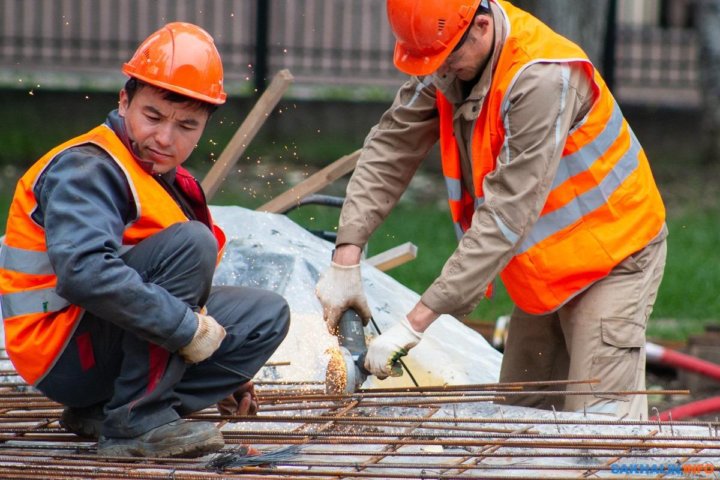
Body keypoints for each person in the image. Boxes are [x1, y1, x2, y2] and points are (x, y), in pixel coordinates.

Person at [315, 0, 667, 420]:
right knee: (520, 417)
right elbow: (391, 147)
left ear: (481, 26)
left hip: (613, 257)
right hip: (545, 268)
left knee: (597, 429)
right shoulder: (449, 53)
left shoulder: (540, 78)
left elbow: (505, 216)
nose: (439, 72)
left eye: (445, 60)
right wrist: (346, 257)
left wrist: (415, 323)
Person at [0, 22, 290, 457]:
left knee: (264, 316)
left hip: (97, 342)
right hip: (62, 353)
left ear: (205, 125)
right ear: (124, 100)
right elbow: (85, 273)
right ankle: (137, 423)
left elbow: (164, 282)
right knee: (193, 244)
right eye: (152, 116)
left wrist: (220, 367)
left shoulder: (157, 175)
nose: (165, 138)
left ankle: (106, 412)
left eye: (187, 126)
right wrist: (187, 330)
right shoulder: (88, 168)